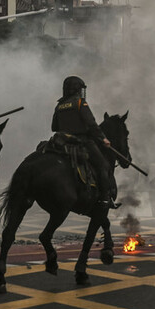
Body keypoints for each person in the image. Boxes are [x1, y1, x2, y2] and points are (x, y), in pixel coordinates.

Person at [52, 76, 116, 209]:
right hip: (81, 142)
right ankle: (105, 199)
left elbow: (54, 127)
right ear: (76, 90)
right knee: (103, 165)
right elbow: (91, 124)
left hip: (62, 143)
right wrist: (103, 138)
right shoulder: (80, 103)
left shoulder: (59, 106)